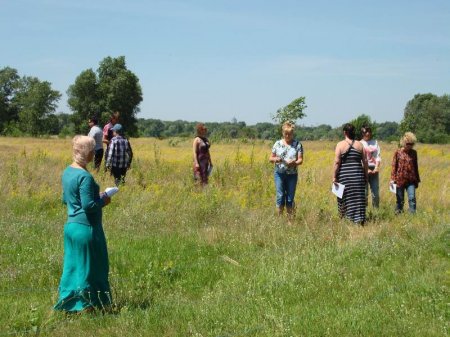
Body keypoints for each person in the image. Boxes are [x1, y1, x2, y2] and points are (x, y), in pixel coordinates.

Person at [54, 135, 112, 313]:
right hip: (86, 229)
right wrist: (104, 199)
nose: (94, 153)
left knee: (72, 268)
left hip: (71, 227)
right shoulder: (84, 177)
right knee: (92, 268)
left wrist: (93, 197)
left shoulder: (67, 172)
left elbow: (66, 199)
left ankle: (68, 304)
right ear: (87, 153)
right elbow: (89, 205)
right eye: (93, 150)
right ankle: (90, 306)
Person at [333, 123, 368, 225]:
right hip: (358, 175)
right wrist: (366, 176)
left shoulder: (340, 145)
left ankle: (346, 219)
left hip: (344, 176)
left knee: (345, 197)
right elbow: (365, 162)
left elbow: (336, 162)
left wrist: (334, 176)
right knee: (359, 198)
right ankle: (359, 220)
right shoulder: (360, 145)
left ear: (345, 132)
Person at [269, 122, 304, 218]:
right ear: (282, 133)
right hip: (279, 174)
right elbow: (270, 158)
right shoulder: (277, 144)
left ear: (293, 133)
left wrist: (294, 163)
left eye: (290, 134)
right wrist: (276, 159)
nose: (288, 136)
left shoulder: (298, 145)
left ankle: (290, 220)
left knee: (289, 198)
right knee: (280, 196)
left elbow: (300, 160)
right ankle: (279, 219)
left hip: (292, 175)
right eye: (286, 133)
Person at [390, 132, 420, 214]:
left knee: (412, 198)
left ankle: (412, 215)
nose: (410, 145)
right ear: (404, 143)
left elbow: (415, 166)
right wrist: (392, 179)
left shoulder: (414, 153)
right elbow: (394, 166)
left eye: (411, 144)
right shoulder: (398, 152)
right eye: (408, 143)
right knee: (400, 200)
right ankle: (398, 215)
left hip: (411, 180)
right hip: (399, 180)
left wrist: (417, 179)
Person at [360, 125, 381, 208]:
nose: (368, 133)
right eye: (365, 132)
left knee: (375, 193)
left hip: (374, 169)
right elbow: (360, 158)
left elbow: (378, 156)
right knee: (364, 193)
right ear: (362, 133)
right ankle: (364, 212)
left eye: (369, 131)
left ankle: (376, 210)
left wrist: (376, 167)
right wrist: (366, 169)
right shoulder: (359, 143)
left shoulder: (375, 142)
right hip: (363, 169)